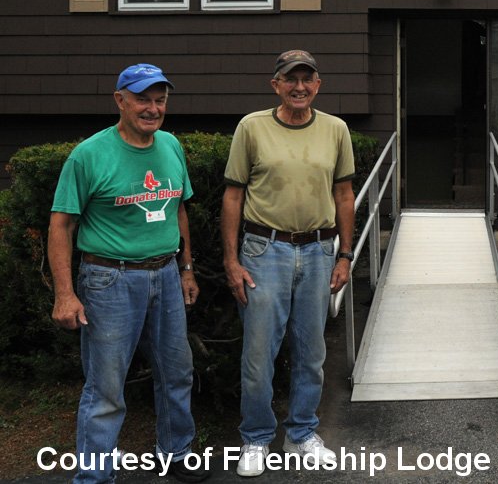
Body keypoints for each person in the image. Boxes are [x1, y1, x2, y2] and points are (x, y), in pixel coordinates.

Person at [48, 64, 210, 483]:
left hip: (167, 276)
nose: (152, 108)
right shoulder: (89, 155)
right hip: (109, 281)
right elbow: (61, 225)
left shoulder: (171, 145)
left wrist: (186, 269)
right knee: (105, 388)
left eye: (160, 100)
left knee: (177, 371)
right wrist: (65, 294)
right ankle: (94, 477)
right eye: (142, 99)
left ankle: (176, 453)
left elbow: (179, 210)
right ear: (120, 100)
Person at [221, 50, 356, 477]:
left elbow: (344, 196)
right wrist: (230, 260)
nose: (299, 87)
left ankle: (300, 434)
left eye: (307, 79)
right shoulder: (252, 127)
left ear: (318, 85)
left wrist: (346, 256)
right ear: (275, 84)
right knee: (259, 353)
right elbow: (233, 196)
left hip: (319, 250)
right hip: (265, 251)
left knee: (311, 351)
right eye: (290, 79)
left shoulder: (336, 129)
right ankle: (256, 437)